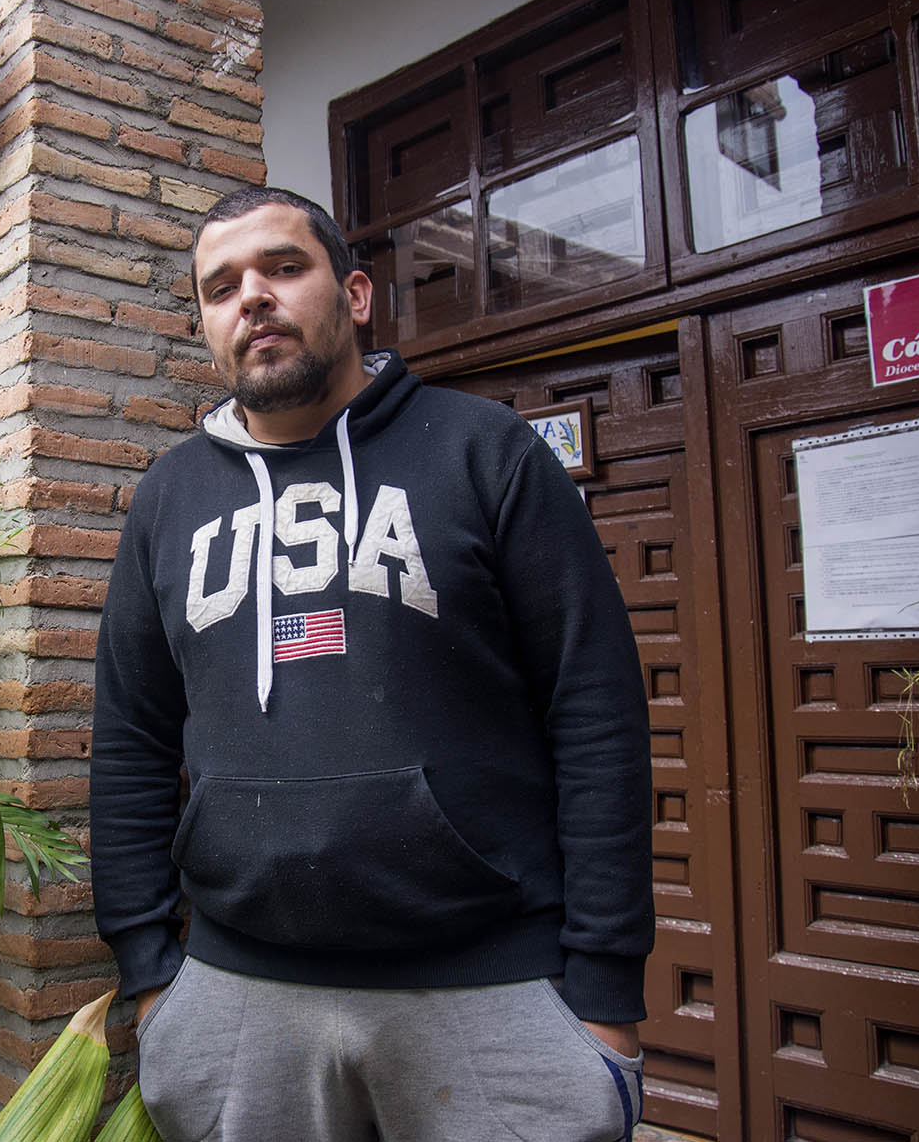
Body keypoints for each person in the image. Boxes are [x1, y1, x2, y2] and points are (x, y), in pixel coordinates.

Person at [89, 186, 653, 1141]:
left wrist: (603, 990)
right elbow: (130, 740)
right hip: (235, 997)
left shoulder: (487, 454)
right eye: (221, 287)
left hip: (492, 988)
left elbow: (595, 713)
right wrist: (149, 975)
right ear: (205, 327)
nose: (252, 297)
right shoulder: (169, 499)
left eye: (282, 267)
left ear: (355, 295)